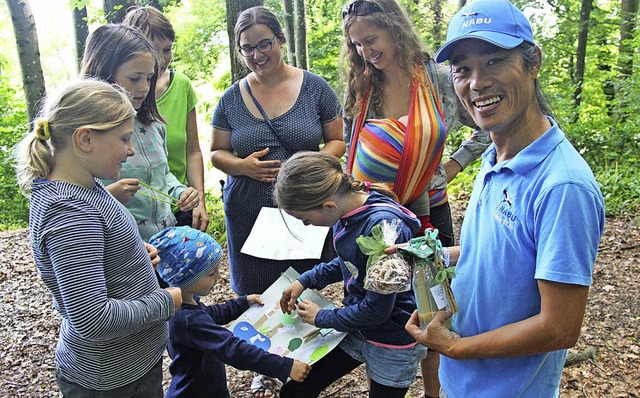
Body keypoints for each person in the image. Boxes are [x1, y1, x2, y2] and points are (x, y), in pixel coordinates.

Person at [404, 0, 606, 397]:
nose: (476, 82)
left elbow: (559, 327)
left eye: (495, 61)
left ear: (534, 63)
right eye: (462, 69)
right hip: (465, 381)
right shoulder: (495, 157)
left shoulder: (562, 185)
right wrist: (428, 256)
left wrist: (456, 347)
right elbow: (494, 253)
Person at [340, 1, 491, 395]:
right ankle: (386, 380)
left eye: (371, 40)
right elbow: (347, 147)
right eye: (356, 45)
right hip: (373, 221)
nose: (365, 52)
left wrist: (454, 164)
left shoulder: (438, 79)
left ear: (394, 28)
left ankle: (434, 391)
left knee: (431, 309)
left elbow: (486, 127)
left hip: (426, 213)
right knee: (381, 306)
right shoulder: (362, 85)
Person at [14, 79, 182, 396]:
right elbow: (93, 318)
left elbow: (97, 249)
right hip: (109, 380)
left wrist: (130, 254)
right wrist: (166, 301)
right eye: (124, 139)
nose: (131, 150)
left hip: (129, 365)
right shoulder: (69, 213)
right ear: (86, 139)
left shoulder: (85, 185)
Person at [210, 6, 346, 297]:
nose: (257, 56)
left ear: (280, 39)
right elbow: (216, 153)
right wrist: (243, 166)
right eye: (247, 49)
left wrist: (306, 165)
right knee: (256, 297)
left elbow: (337, 142)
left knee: (305, 288)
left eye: (264, 44)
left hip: (304, 208)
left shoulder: (316, 88)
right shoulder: (230, 100)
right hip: (249, 211)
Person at [274, 151, 427, 398]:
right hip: (357, 326)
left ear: (328, 206)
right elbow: (350, 261)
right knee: (296, 391)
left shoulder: (384, 230)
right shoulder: (346, 212)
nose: (306, 225)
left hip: (392, 340)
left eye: (305, 219)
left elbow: (377, 310)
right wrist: (306, 280)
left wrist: (322, 317)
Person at [148, 226, 311, 398]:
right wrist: (284, 366)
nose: (219, 277)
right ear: (186, 278)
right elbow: (232, 348)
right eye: (211, 273)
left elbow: (210, 314)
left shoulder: (185, 306)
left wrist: (243, 303)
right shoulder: (189, 320)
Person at [80, 24, 200, 243]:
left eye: (149, 78)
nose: (144, 87)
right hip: (122, 249)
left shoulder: (153, 124)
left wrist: (181, 192)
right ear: (105, 73)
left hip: (165, 243)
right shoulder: (87, 134)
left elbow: (163, 175)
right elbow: (71, 198)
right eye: (135, 78)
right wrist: (109, 196)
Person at [123, 6, 209, 232]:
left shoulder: (180, 86)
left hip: (176, 206)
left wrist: (198, 199)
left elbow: (192, 150)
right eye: (153, 49)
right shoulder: (116, 104)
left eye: (167, 49)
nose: (161, 60)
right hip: (132, 219)